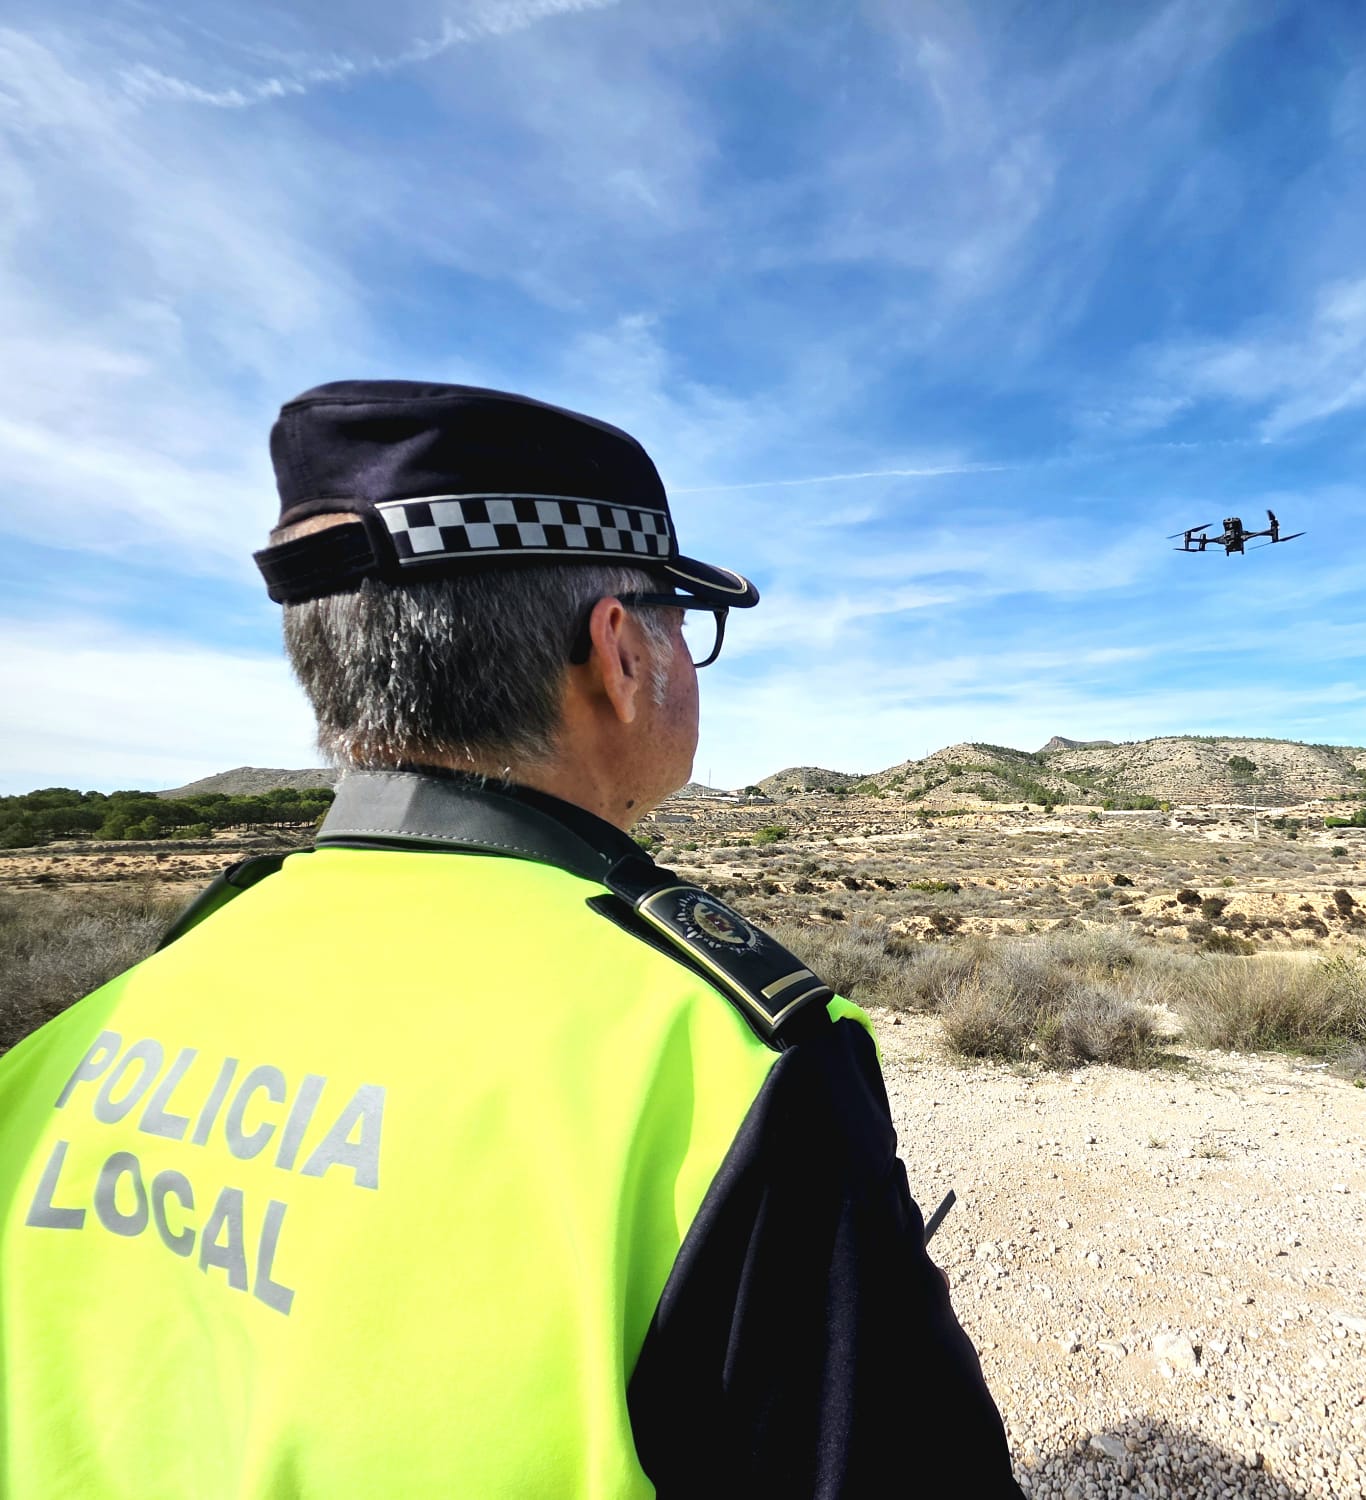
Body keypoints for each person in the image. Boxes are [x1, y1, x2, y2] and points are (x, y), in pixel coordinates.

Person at [0, 380, 1024, 1498]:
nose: (687, 656)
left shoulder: (68, 1046)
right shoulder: (722, 1063)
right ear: (620, 652)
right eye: (683, 621)